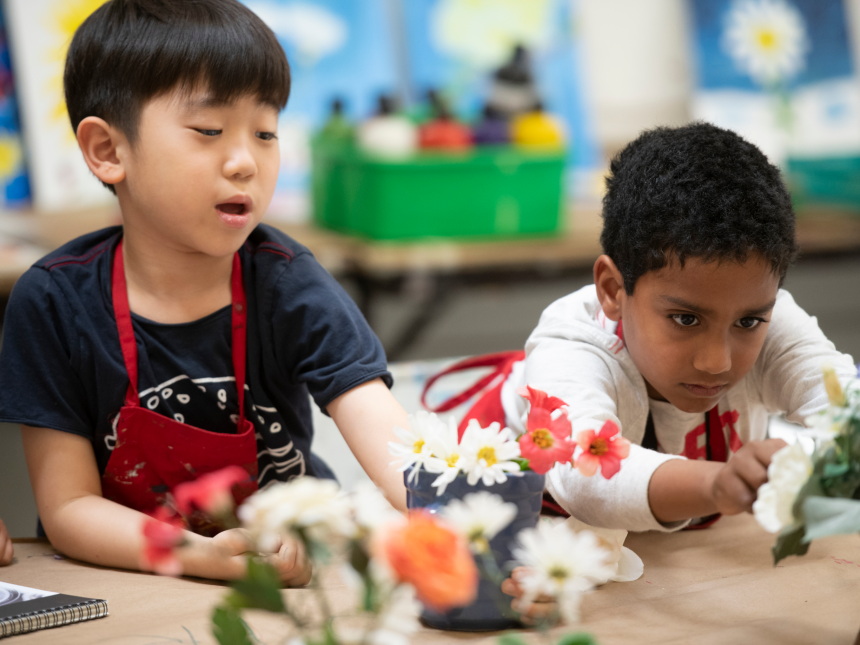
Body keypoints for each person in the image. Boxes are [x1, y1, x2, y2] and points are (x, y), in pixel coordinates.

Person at [0, 0, 408, 584]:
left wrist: (465, 526)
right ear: (109, 151)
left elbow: (394, 447)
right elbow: (68, 509)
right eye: (209, 131)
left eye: (265, 132)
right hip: (131, 586)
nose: (245, 161)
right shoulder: (54, 302)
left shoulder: (288, 281)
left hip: (293, 580)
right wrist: (201, 557)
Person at [499, 123, 856, 618]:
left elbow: (849, 415)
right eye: (685, 319)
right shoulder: (571, 348)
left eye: (749, 321)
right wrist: (716, 484)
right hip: (531, 535)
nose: (718, 361)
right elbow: (589, 474)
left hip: (674, 570)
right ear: (612, 290)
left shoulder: (773, 320)